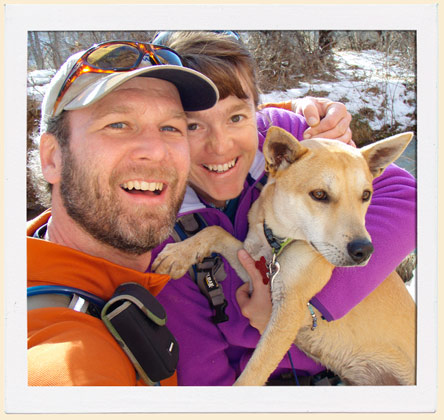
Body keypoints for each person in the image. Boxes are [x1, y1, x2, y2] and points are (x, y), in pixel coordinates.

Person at [149, 31, 417, 386]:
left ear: (256, 111)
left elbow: (408, 195)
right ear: (164, 129)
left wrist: (302, 309)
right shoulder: (155, 225)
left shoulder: (285, 138)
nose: (220, 146)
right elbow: (204, 375)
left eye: (237, 117)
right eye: (192, 125)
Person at [26, 40, 220, 386]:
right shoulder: (69, 361)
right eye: (118, 124)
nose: (156, 151)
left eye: (171, 128)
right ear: (53, 158)